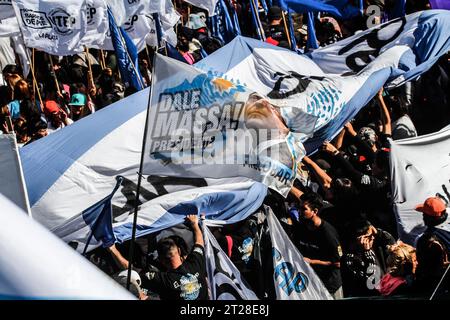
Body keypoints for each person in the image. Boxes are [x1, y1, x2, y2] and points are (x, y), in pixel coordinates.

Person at [140, 215, 209, 300]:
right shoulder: (195, 263)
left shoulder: (163, 280)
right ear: (179, 251)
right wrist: (195, 225)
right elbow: (199, 242)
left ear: (161, 260)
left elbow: (135, 277)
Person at [293, 192, 344, 299]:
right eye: (299, 207)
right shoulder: (301, 228)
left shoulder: (328, 233)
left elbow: (338, 263)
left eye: (304, 209)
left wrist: (312, 262)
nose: (299, 212)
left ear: (314, 211)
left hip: (330, 287)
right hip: (311, 284)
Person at [341, 219, 396, 297]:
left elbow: (392, 245)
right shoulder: (349, 259)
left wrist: (377, 232)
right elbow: (374, 281)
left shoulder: (374, 245)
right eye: (369, 236)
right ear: (359, 238)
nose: (373, 238)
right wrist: (368, 253)